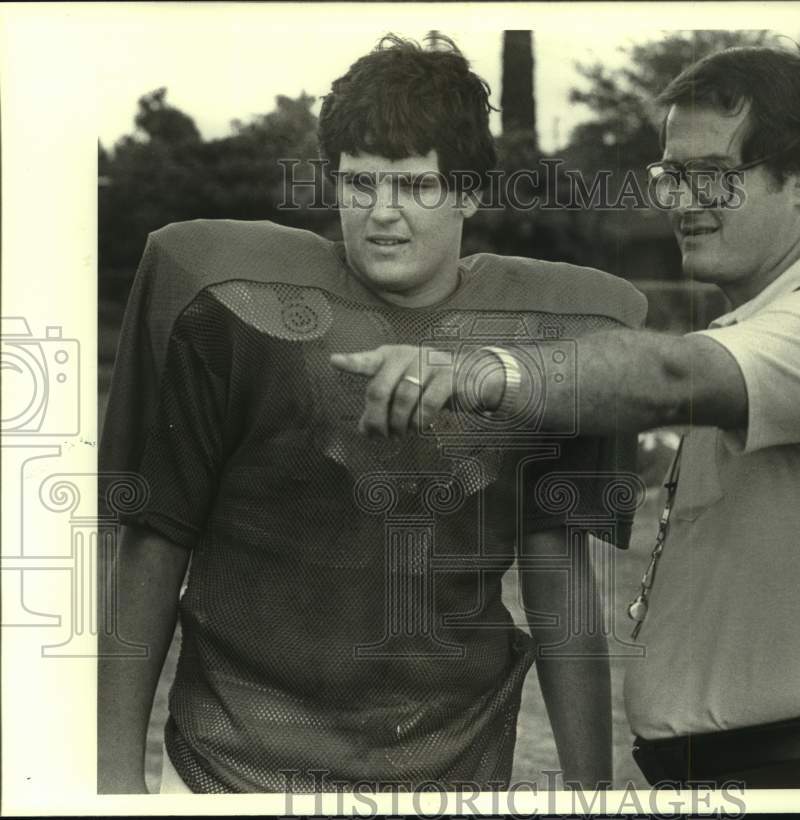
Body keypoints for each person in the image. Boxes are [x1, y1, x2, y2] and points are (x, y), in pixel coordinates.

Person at [333, 45, 800, 788]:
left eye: (712, 176)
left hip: (799, 773)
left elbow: (668, 372)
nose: (679, 200)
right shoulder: (758, 331)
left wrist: (477, 372)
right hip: (733, 772)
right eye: (671, 175)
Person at [98, 34, 647, 794]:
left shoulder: (555, 331)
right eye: (361, 184)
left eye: (415, 187)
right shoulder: (229, 303)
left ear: (468, 193)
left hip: (454, 766)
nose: (383, 215)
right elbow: (153, 540)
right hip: (236, 765)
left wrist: (595, 795)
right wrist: (112, 784)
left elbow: (557, 570)